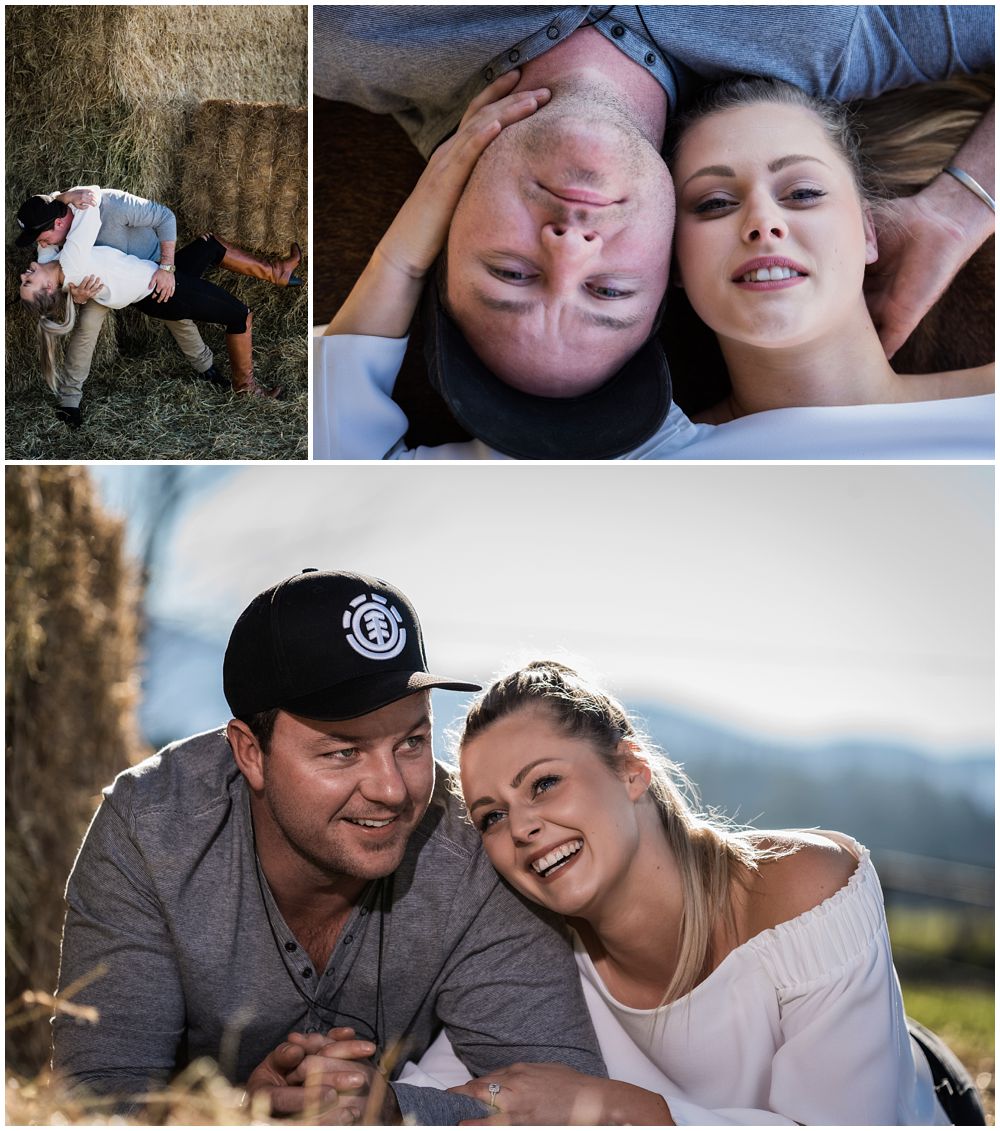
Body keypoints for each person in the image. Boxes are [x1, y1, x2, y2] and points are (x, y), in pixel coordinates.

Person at [314, 5, 994, 458]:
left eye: (510, 274)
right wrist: (963, 207)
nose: (571, 244)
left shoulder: (337, 37)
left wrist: (401, 255)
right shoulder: (842, 40)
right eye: (609, 290)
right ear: (670, 258)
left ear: (445, 236)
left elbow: (340, 452)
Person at [51, 571, 605, 1124]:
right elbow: (94, 1101)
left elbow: (564, 1100)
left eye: (412, 741)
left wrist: (394, 1110)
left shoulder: (478, 845)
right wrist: (239, 1112)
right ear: (250, 753)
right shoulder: (149, 831)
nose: (392, 789)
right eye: (344, 752)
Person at [438, 660, 984, 1124]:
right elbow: (443, 1086)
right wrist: (365, 1093)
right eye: (492, 817)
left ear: (630, 770)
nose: (522, 827)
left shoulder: (803, 886)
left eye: (544, 783)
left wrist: (604, 1107)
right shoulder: (521, 943)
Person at [661, 77, 993, 427]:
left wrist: (958, 210)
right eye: (715, 203)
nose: (762, 221)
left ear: (868, 231)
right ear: (674, 258)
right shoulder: (652, 468)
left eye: (803, 193)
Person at [18, 187, 293, 410]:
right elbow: (53, 279)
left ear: (58, 220)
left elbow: (166, 218)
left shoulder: (112, 206)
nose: (40, 244)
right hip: (122, 287)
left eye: (40, 237)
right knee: (89, 325)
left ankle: (276, 272)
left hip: (154, 268)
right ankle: (69, 400)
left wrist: (167, 268)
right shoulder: (59, 245)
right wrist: (74, 295)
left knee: (209, 248)